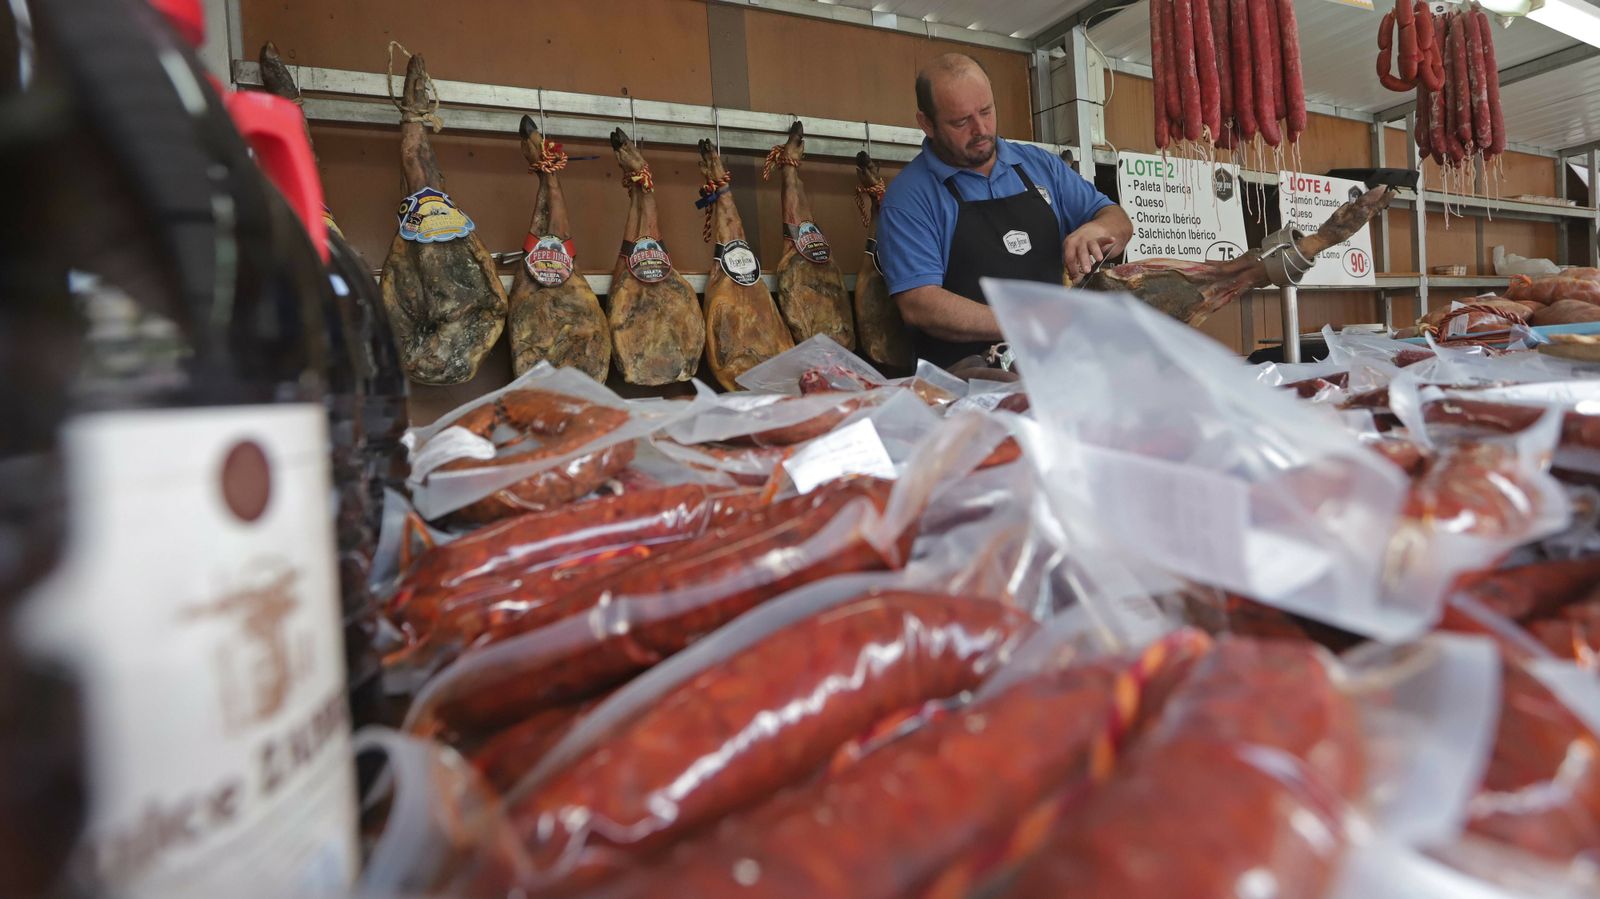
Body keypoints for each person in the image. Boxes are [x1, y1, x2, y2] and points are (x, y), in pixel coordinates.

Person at [877, 52, 1133, 369]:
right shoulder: (910, 198)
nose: (981, 129)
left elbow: (1118, 221)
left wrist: (1097, 230)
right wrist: (1025, 322)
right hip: (967, 388)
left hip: (1059, 366)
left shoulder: (1040, 166)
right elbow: (920, 304)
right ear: (926, 123)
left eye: (986, 111)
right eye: (961, 121)